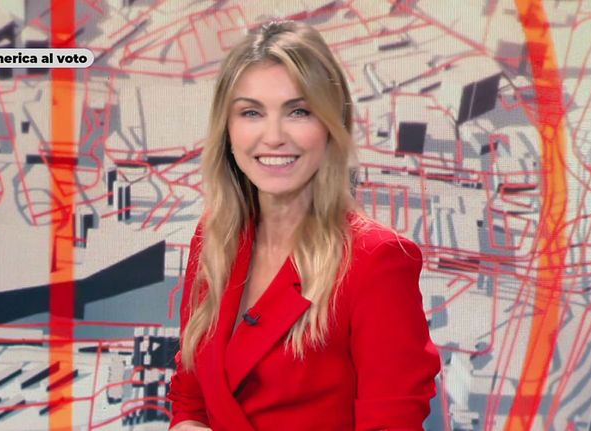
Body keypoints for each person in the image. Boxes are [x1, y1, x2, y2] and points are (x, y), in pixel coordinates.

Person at [168, 21, 440, 431]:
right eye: (251, 112)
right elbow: (191, 402)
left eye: (298, 111)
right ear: (227, 130)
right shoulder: (215, 240)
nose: (273, 136)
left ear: (331, 126)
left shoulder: (375, 260)